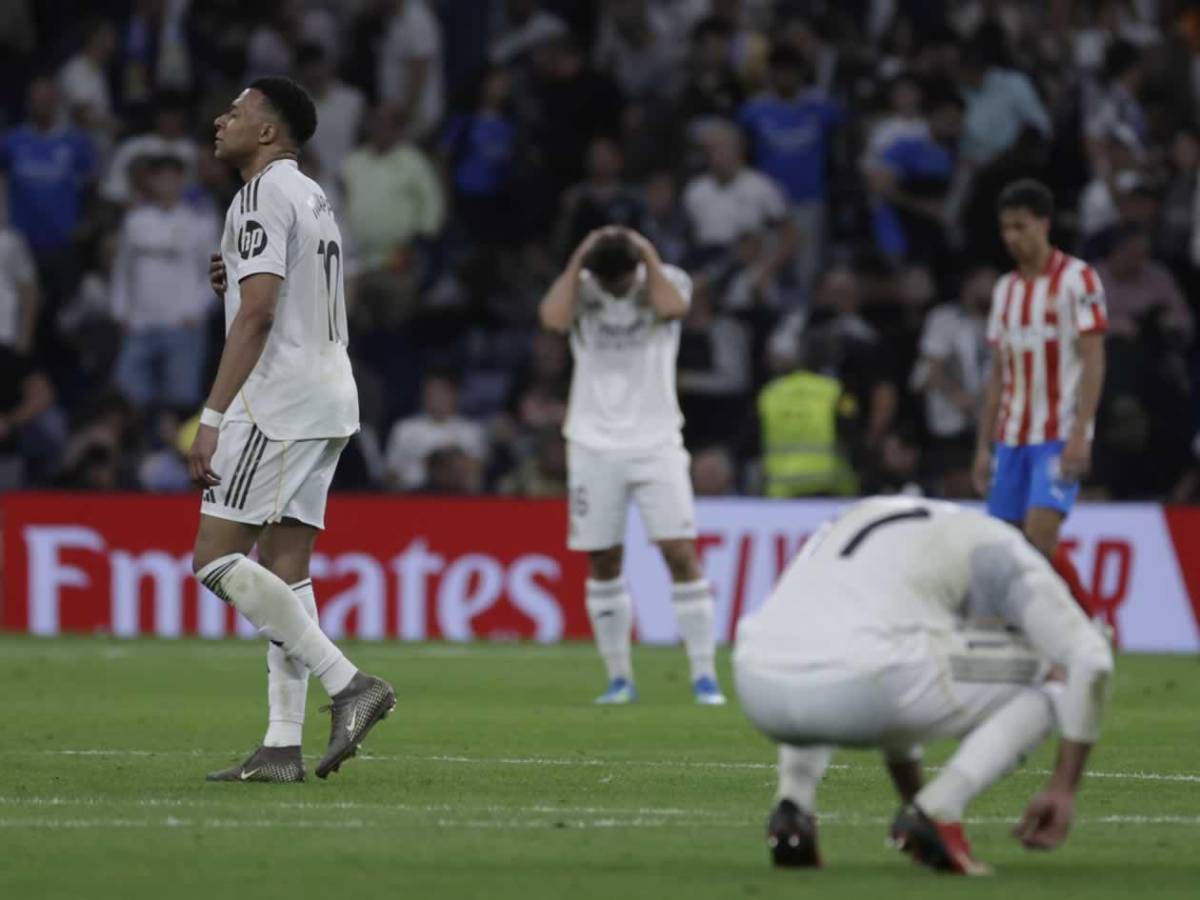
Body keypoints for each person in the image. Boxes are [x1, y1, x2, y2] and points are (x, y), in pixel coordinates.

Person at [190, 76, 394, 784]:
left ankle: (350, 684)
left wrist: (211, 418)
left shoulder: (258, 194)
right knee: (285, 569)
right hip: (330, 394)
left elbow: (259, 317)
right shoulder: (309, 192)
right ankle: (281, 745)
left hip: (276, 404)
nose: (222, 120)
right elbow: (277, 289)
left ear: (269, 132)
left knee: (214, 559)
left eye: (237, 112)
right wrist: (238, 275)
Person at [734, 496, 1114, 874]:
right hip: (862, 682)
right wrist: (1064, 789)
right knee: (1051, 674)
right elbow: (1091, 660)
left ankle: (793, 807)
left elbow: (907, 682)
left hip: (754, 675)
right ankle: (942, 809)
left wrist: (912, 801)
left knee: (858, 644)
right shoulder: (1004, 553)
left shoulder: (892, 521)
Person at [539, 226, 725, 706]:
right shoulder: (582, 287)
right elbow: (553, 320)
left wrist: (646, 251)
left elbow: (673, 309)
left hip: (657, 441)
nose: (617, 292)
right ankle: (620, 678)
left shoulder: (666, 281)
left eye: (622, 283)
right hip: (592, 442)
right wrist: (580, 252)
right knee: (603, 558)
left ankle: (705, 676)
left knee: (679, 551)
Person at [972, 180, 1107, 608]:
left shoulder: (1078, 279)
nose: (1012, 237)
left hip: (1057, 434)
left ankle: (1081, 624)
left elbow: (1093, 359)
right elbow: (997, 375)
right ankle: (1079, 625)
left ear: (1044, 224)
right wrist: (982, 447)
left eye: (1021, 226)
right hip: (1010, 438)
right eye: (1005, 228)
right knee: (1012, 552)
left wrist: (1081, 432)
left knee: (1038, 539)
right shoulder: (1004, 291)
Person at [111, 156, 218, 411]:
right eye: (160, 177)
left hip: (182, 323)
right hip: (139, 324)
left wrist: (197, 310)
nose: (166, 183)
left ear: (182, 180)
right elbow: (122, 270)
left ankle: (172, 451)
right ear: (151, 181)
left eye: (172, 177)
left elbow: (217, 273)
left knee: (180, 400)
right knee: (127, 398)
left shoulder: (200, 223)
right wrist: (120, 312)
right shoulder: (135, 221)